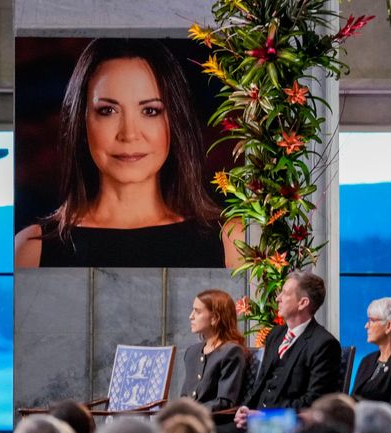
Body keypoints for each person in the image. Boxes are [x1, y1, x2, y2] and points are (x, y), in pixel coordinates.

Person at [14, 38, 236, 268]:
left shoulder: (230, 242)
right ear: (81, 121)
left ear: (175, 121)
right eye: (108, 110)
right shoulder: (32, 250)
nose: (129, 134)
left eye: (150, 110)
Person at [218, 271, 342, 433]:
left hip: (287, 422)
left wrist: (265, 416)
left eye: (285, 293)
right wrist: (245, 408)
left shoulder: (324, 344)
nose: (278, 298)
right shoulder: (275, 334)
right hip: (257, 417)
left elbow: (314, 400)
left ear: (303, 303)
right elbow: (261, 382)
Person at [180, 289, 248, 410]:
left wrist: (191, 414)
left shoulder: (231, 352)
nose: (191, 316)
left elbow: (225, 401)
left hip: (216, 423)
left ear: (215, 318)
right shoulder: (192, 352)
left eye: (197, 311)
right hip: (191, 421)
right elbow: (185, 396)